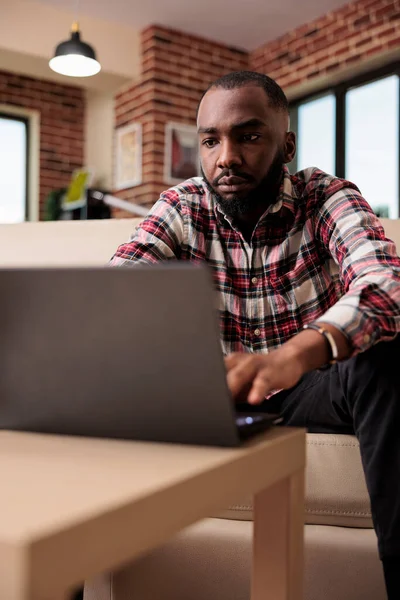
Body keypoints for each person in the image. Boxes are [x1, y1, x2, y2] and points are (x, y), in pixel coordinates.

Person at [111, 71, 400, 598]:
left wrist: (294, 355)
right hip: (221, 396)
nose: (226, 157)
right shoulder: (182, 206)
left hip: (316, 388)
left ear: (285, 144)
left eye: (247, 136)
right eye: (210, 140)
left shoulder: (325, 195)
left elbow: (384, 283)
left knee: (384, 355)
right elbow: (113, 295)